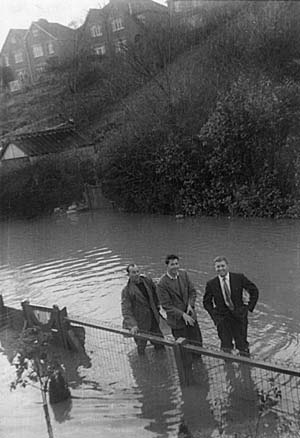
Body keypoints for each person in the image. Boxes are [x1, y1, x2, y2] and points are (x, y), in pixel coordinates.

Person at [203, 256, 259, 357]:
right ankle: (229, 368)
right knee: (226, 346)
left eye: (222, 266)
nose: (221, 269)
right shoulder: (211, 283)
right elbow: (206, 302)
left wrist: (248, 308)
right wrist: (215, 317)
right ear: (215, 268)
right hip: (222, 319)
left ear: (227, 266)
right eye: (218, 267)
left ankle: (245, 367)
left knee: (242, 345)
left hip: (239, 316)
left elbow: (254, 290)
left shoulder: (239, 278)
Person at [157, 254, 202, 346]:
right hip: (177, 322)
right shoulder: (161, 284)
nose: (175, 267)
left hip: (191, 317)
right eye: (172, 264)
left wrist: (190, 305)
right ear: (167, 266)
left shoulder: (184, 274)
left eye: (177, 264)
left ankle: (198, 359)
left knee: (198, 344)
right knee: (183, 348)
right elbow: (166, 306)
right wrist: (182, 315)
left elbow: (192, 291)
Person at [121, 263, 164, 355]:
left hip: (153, 318)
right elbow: (126, 310)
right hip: (140, 323)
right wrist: (133, 325)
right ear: (128, 275)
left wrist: (158, 305)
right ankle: (142, 364)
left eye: (137, 271)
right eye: (133, 272)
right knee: (141, 348)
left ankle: (162, 361)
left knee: (160, 343)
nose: (136, 274)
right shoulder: (127, 291)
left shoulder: (147, 280)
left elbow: (156, 292)